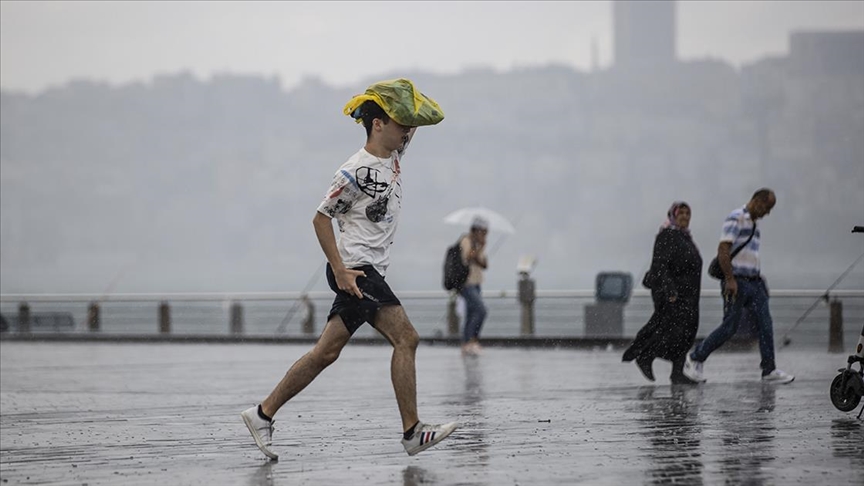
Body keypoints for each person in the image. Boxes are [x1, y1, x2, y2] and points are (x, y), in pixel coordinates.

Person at [241, 83, 458, 460]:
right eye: (398, 124)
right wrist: (340, 271)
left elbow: (427, 117)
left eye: (407, 127)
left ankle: (262, 414)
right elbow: (320, 219)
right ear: (377, 125)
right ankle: (412, 431)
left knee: (326, 353)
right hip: (358, 271)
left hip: (365, 270)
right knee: (407, 338)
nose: (406, 132)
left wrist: (401, 95)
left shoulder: (393, 154)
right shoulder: (354, 171)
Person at [683, 188, 794, 384]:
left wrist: (760, 279)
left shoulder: (754, 224)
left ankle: (769, 370)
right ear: (757, 201)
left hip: (754, 282)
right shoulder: (736, 218)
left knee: (765, 324)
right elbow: (723, 249)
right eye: (767, 208)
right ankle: (695, 357)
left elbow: (750, 255)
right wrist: (730, 279)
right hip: (736, 281)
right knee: (729, 327)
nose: (767, 213)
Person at [623, 202, 702, 385]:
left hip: (690, 295)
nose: (684, 216)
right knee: (672, 332)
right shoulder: (667, 235)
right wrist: (669, 289)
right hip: (674, 295)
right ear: (672, 215)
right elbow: (660, 265)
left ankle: (677, 372)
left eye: (687, 213)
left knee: (686, 334)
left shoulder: (685, 237)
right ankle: (646, 355)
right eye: (680, 213)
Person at [459, 216, 489, 356]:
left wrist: (481, 248)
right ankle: (471, 340)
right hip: (467, 283)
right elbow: (468, 257)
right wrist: (480, 248)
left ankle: (468, 342)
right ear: (476, 230)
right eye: (483, 232)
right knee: (481, 310)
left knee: (471, 313)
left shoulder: (479, 244)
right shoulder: (466, 241)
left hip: (477, 283)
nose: (484, 235)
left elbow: (484, 264)